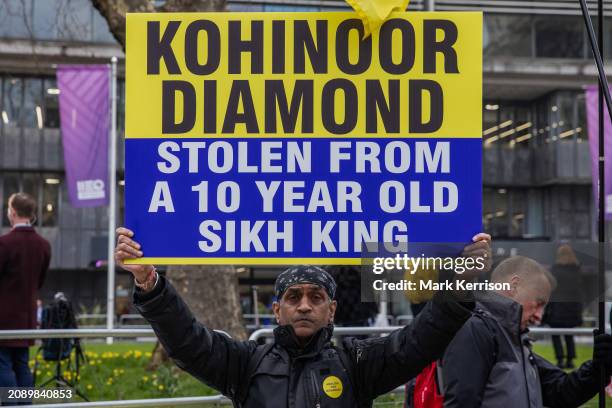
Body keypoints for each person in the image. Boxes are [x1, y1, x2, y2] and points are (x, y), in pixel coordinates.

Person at [115, 227, 491, 407]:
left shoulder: (356, 363)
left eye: (316, 297)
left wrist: (459, 282)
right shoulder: (244, 363)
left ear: (332, 310)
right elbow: (188, 343)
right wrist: (149, 282)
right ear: (276, 310)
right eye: (293, 297)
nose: (305, 305)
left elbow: (419, 341)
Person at [441, 256, 612, 408]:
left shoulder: (514, 338)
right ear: (514, 286)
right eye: (538, 303)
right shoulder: (475, 330)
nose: (540, 316)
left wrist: (597, 368)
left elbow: (560, 392)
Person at [0, 193, 51, 391]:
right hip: (26, 317)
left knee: (3, 365)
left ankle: (10, 405)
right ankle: (24, 404)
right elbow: (39, 282)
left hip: (3, 318)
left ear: (12, 212)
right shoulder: (43, 245)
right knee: (21, 365)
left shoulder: (4, 243)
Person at [543, 244, 583, 369]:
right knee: (569, 335)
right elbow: (579, 291)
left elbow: (550, 289)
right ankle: (570, 360)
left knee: (555, 334)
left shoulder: (554, 270)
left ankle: (560, 359)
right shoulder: (576, 271)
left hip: (557, 308)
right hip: (572, 308)